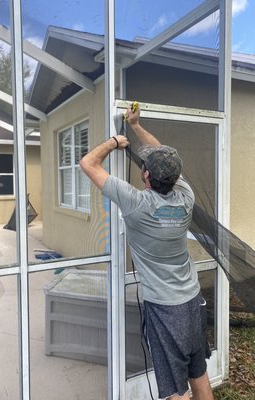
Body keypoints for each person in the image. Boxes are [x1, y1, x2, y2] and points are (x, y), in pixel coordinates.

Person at [80, 104, 214, 400]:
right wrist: (137, 126)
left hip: (166, 311)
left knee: (175, 391)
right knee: (198, 372)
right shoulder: (185, 196)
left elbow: (88, 163)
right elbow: (162, 155)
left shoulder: (137, 204)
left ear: (146, 175)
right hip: (193, 301)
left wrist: (115, 141)